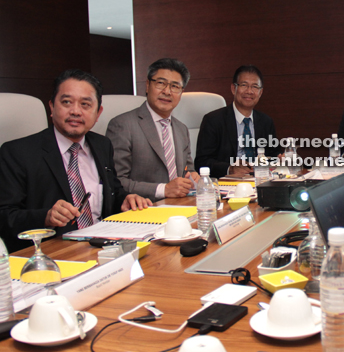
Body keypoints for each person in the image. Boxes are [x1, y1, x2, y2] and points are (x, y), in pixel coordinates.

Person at [0, 69, 151, 253]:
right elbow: (5, 216)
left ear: (98, 113)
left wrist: (126, 199)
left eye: (85, 104)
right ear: (51, 107)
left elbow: (113, 191)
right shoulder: (18, 152)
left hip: (103, 248)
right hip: (53, 253)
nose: (75, 111)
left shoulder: (102, 145)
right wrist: (46, 216)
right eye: (66, 102)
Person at [106, 58, 199, 201]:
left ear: (181, 92)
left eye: (175, 86)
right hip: (146, 210)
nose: (167, 91)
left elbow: (188, 170)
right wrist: (164, 189)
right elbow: (116, 181)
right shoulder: (123, 125)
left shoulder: (182, 129)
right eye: (161, 83)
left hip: (181, 206)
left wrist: (192, 177)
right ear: (148, 85)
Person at [195, 65, 280, 178]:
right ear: (233, 88)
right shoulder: (213, 120)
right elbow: (201, 162)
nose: (249, 91)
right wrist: (230, 169)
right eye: (244, 85)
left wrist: (280, 159)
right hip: (228, 184)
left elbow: (273, 154)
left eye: (255, 87)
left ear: (260, 92)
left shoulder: (266, 122)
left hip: (259, 181)